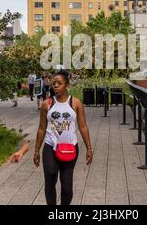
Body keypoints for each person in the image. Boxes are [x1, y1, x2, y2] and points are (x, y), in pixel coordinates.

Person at [33, 70, 93, 205]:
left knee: (66, 187)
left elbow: (83, 127)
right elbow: (42, 128)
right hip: (50, 147)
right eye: (53, 83)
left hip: (70, 148)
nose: (55, 86)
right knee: (50, 177)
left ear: (66, 85)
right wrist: (36, 150)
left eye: (59, 83)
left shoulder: (75, 103)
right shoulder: (47, 104)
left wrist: (89, 148)